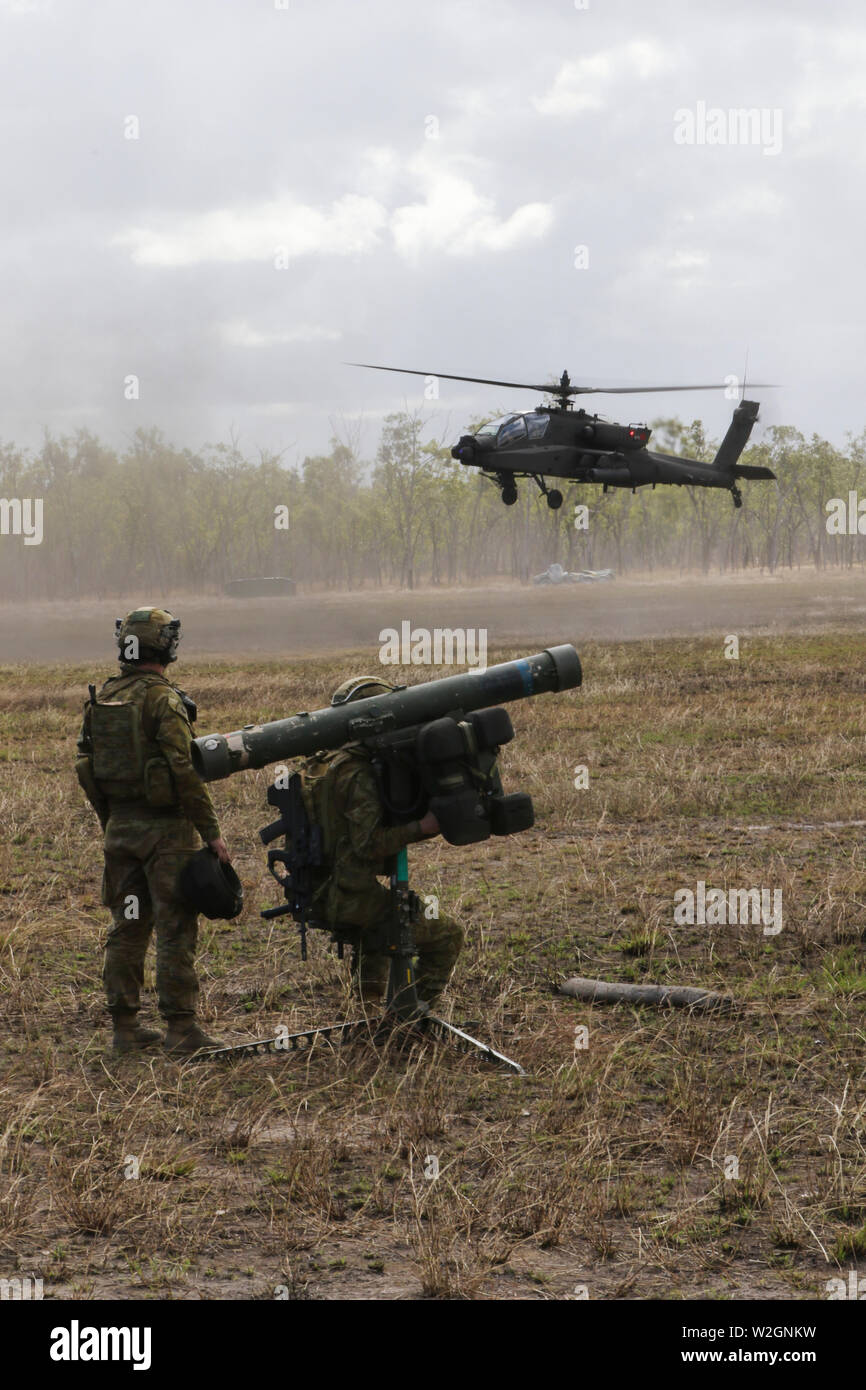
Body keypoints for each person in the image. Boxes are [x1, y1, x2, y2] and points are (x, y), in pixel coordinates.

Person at [75, 606, 231, 1055]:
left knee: (127, 926)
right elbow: (185, 771)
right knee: (175, 926)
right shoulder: (163, 700)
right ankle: (181, 1029)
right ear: (165, 646)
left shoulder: (103, 699)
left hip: (120, 831)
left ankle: (124, 1028)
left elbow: (86, 767)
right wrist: (212, 833)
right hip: (166, 834)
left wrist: (112, 822)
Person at [298, 677, 463, 1011]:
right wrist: (422, 827)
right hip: (347, 897)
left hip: (319, 890)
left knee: (379, 925)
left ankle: (368, 1012)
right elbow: (369, 845)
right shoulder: (356, 774)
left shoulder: (321, 762)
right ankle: (413, 1013)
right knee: (447, 935)